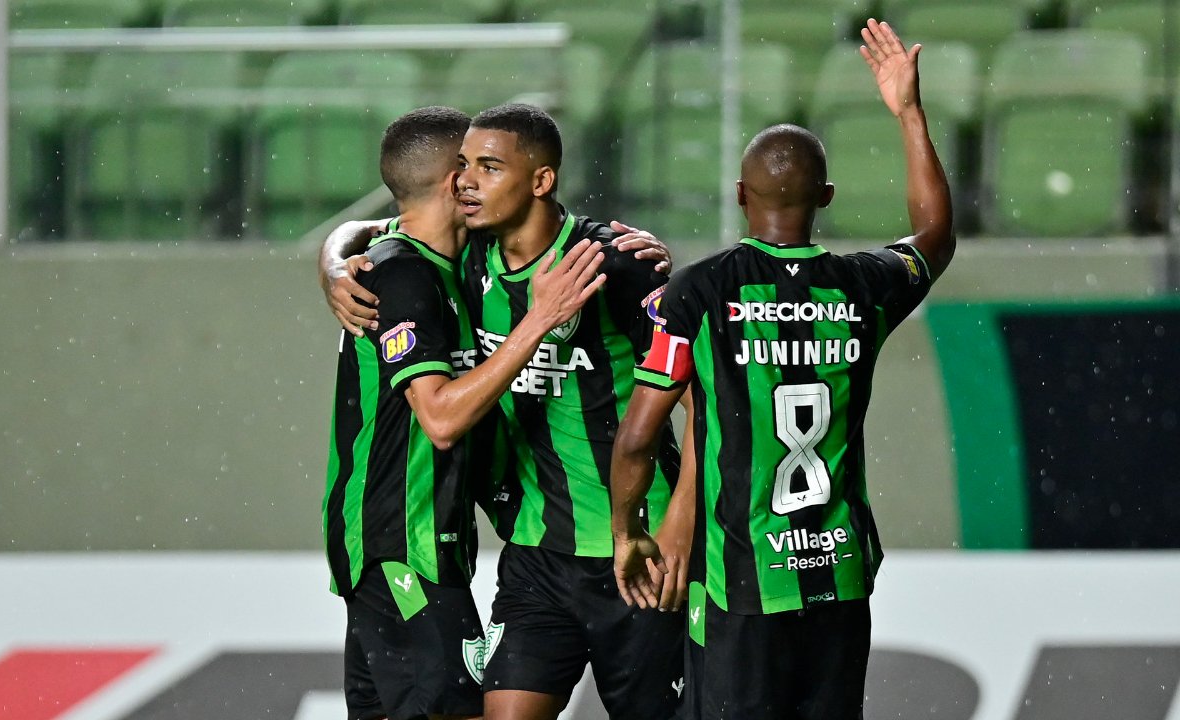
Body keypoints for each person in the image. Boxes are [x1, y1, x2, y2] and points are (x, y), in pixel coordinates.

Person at [610, 19, 955, 720]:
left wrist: (629, 528)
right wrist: (909, 112)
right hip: (837, 572)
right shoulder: (864, 287)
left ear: (741, 195)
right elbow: (936, 236)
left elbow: (639, 437)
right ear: (826, 198)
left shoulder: (698, 294)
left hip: (741, 582)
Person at [323, 104, 689, 720]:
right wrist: (334, 260)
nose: (469, 181)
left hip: (638, 548)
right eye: (463, 167)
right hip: (526, 556)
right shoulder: (454, 266)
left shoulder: (613, 265)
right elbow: (400, 233)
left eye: (488, 167)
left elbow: (705, 393)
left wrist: (681, 524)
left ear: (539, 179)